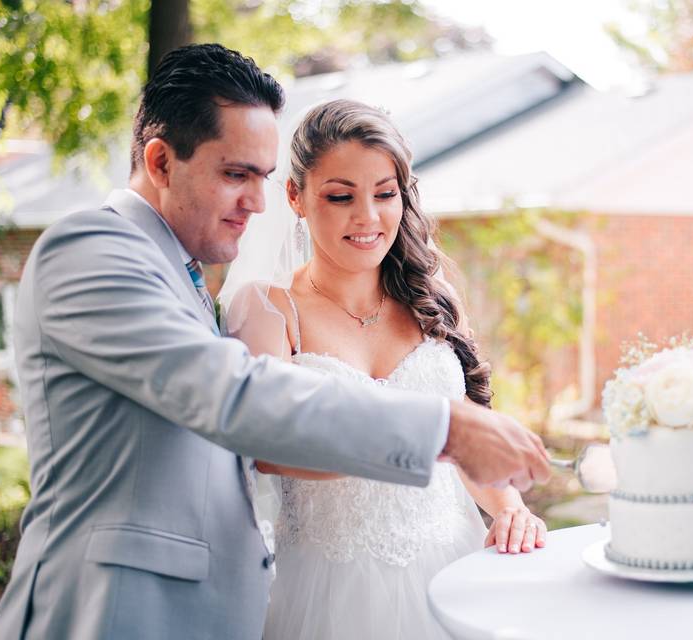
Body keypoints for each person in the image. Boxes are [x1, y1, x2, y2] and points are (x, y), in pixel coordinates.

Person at [0, 44, 549, 640]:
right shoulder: (92, 251)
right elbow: (236, 397)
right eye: (236, 175)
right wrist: (447, 430)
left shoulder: (182, 272)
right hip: (111, 612)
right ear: (160, 162)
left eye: (260, 176)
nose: (256, 202)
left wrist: (507, 504)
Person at [221, 99, 548, 640]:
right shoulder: (268, 309)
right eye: (341, 196)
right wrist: (433, 435)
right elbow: (271, 445)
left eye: (385, 194)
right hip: (331, 592)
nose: (368, 218)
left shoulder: (430, 298)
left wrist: (510, 508)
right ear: (296, 197)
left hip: (454, 569)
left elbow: (469, 436)